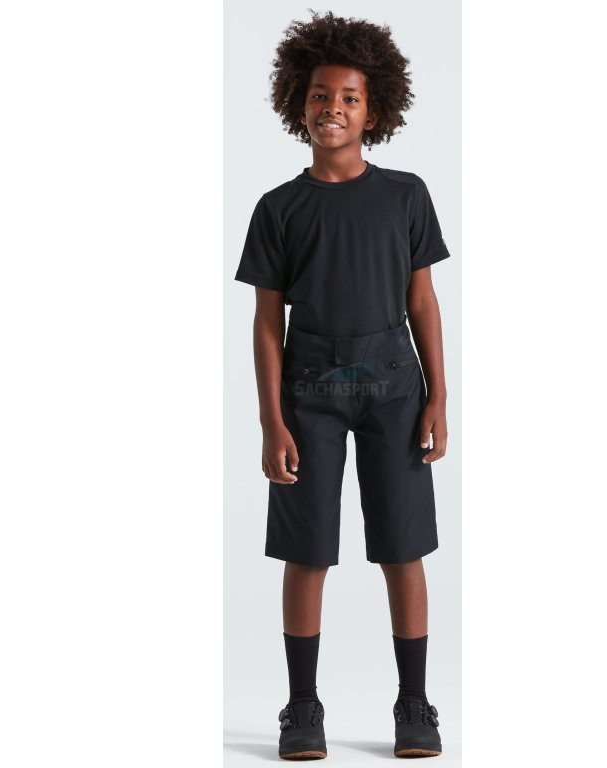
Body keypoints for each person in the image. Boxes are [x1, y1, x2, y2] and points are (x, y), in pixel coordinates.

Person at [234, 10, 452, 760]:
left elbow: (422, 300)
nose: (334, 108)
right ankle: (302, 706)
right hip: (309, 392)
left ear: (375, 110)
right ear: (298, 102)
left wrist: (439, 396)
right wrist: (271, 420)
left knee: (403, 546)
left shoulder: (406, 195)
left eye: (350, 97)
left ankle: (414, 702)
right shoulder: (278, 208)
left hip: (394, 385)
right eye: (321, 95)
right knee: (308, 551)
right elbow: (267, 323)